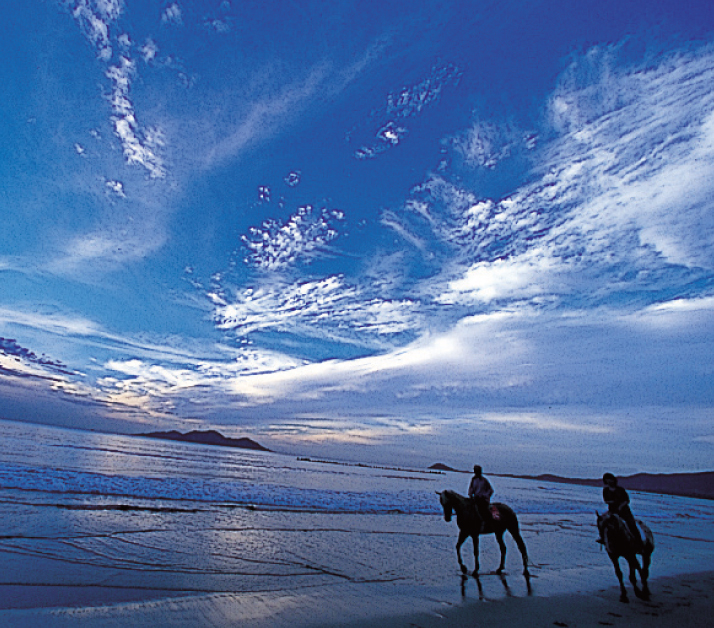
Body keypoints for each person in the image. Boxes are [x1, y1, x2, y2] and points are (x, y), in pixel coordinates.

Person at [602, 472, 642, 546]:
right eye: (607, 480)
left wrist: (620, 506)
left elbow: (627, 500)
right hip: (612, 511)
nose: (609, 481)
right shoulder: (605, 490)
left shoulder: (620, 489)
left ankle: (639, 542)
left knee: (631, 524)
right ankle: (602, 538)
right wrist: (614, 502)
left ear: (613, 480)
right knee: (602, 522)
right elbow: (606, 500)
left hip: (624, 511)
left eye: (610, 479)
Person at [468, 465, 494, 531]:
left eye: (477, 471)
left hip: (483, 499)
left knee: (482, 509)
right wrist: (470, 494)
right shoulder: (473, 480)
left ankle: (484, 523)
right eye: (475, 471)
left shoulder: (484, 480)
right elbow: (471, 489)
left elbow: (490, 490)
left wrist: (485, 495)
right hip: (475, 498)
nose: (476, 472)